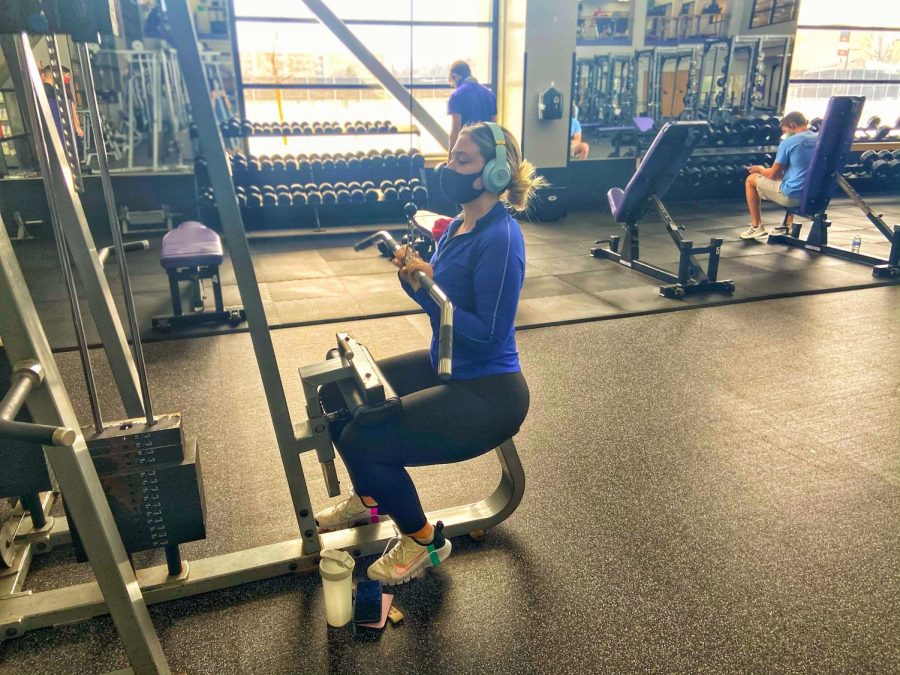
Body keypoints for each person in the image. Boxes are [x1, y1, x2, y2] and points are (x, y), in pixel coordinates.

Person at [315, 122, 542, 585]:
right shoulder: (459, 224)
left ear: (495, 174)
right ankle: (372, 497)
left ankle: (423, 541)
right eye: (451, 156)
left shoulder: (500, 239)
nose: (449, 167)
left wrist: (431, 289)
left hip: (488, 392)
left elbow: (486, 334)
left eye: (462, 160)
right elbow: (445, 311)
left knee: (365, 440)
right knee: (338, 392)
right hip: (448, 363)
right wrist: (418, 283)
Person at [740, 111, 817, 240]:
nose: (785, 134)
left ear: (791, 125)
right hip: (816, 195)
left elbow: (773, 174)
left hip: (793, 197)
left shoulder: (789, 142)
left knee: (750, 180)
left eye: (785, 130)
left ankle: (756, 226)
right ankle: (788, 223)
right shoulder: (820, 139)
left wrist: (760, 169)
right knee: (790, 178)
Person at [446, 61, 497, 158]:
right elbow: (494, 129)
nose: (453, 85)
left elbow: (455, 131)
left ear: (455, 76)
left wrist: (450, 159)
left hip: (466, 153)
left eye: (452, 82)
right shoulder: (490, 95)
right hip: (486, 152)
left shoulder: (456, 95)